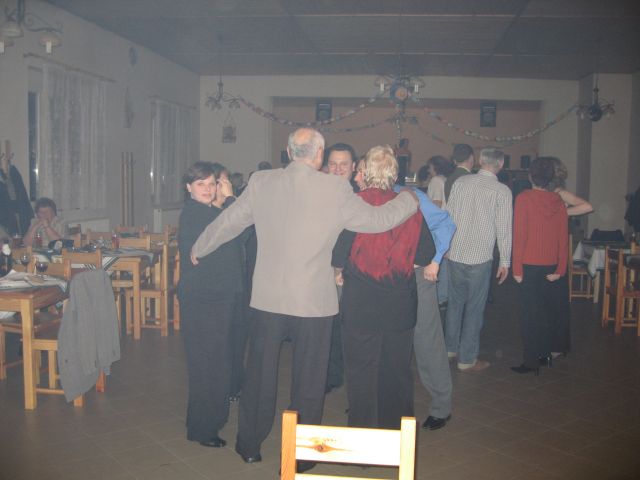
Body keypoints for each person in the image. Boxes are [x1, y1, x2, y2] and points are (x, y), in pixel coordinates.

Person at [190, 128, 418, 466]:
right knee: (309, 382)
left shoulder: (262, 182)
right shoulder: (335, 188)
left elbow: (229, 222)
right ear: (320, 154)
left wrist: (200, 246)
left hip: (268, 300)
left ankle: (249, 445)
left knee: (259, 377)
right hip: (313, 302)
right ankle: (301, 456)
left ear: (288, 151)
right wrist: (408, 199)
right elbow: (376, 221)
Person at [333, 145, 435, 429]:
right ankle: (395, 436)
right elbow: (426, 253)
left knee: (361, 372)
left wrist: (341, 271)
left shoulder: (354, 204)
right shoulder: (409, 207)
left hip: (361, 302)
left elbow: (338, 253)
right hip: (399, 302)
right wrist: (400, 261)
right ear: (393, 173)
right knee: (397, 372)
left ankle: (362, 435)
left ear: (365, 172)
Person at [177, 161, 244, 448]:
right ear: (188, 187)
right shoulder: (195, 214)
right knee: (207, 365)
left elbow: (242, 232)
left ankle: (207, 421)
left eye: (211, 183)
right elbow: (232, 227)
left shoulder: (210, 213)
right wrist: (230, 200)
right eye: (200, 184)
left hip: (218, 298)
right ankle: (202, 429)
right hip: (204, 301)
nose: (207, 189)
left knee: (215, 362)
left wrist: (228, 203)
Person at [391, 184, 456, 430]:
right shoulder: (361, 196)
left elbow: (446, 224)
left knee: (427, 340)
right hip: (385, 281)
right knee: (388, 342)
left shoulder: (409, 195)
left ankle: (441, 406)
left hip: (418, 276)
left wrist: (435, 261)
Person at [445, 148, 512, 372]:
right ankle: (466, 360)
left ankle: (449, 349)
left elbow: (448, 216)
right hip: (480, 257)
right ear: (501, 165)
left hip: (456, 252)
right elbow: (504, 229)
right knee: (474, 308)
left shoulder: (461, 183)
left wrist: (444, 248)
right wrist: (505, 261)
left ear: (480, 161)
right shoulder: (502, 191)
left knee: (454, 304)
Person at [511, 157, 568, 374]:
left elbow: (520, 235)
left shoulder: (524, 198)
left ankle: (531, 362)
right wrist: (560, 269)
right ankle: (545, 356)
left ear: (531, 176)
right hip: (551, 265)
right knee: (546, 314)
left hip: (529, 264)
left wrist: (517, 268)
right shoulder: (558, 201)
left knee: (529, 316)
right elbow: (563, 238)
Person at [324, 142, 358, 393]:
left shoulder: (360, 195)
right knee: (329, 326)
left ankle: (356, 385)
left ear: (353, 167)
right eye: (333, 164)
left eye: (343, 164)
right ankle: (332, 376)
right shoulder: (318, 193)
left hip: (352, 272)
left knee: (353, 328)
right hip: (322, 269)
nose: (337, 169)